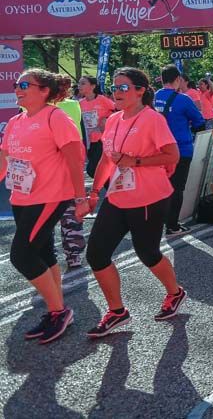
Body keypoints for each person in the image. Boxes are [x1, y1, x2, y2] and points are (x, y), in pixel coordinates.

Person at [84, 68, 186, 337]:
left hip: (148, 197)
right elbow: (108, 159)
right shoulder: (114, 120)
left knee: (148, 253)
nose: (116, 92)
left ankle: (174, 292)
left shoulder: (152, 119)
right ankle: (117, 312)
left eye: (124, 87)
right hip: (117, 196)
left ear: (140, 90)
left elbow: (172, 155)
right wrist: (94, 193)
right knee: (96, 253)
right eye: (114, 87)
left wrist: (136, 161)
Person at [1, 69, 86, 343]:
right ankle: (56, 312)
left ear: (44, 91)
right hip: (22, 197)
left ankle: (58, 310)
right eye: (16, 84)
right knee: (44, 252)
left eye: (25, 84)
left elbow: (75, 158)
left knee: (22, 255)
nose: (18, 88)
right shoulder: (15, 121)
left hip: (49, 197)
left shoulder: (55, 117)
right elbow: (4, 160)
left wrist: (80, 197)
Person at [154, 66, 205, 237]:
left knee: (161, 187)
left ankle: (158, 222)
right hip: (180, 149)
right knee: (177, 188)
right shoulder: (183, 99)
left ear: (161, 79)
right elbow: (199, 122)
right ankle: (172, 226)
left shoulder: (154, 97)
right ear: (177, 80)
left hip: (157, 151)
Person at [52, 76, 87, 268]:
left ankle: (47, 255)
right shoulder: (74, 105)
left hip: (50, 166)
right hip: (72, 162)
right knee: (71, 212)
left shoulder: (35, 109)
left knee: (46, 212)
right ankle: (74, 255)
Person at [78, 76, 115, 178]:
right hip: (89, 141)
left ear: (93, 86)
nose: (79, 86)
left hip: (102, 139)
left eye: (83, 83)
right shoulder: (80, 103)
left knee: (91, 170)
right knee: (98, 169)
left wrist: (106, 118)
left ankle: (108, 187)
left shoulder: (102, 99)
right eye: (79, 83)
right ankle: (110, 188)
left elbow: (118, 111)